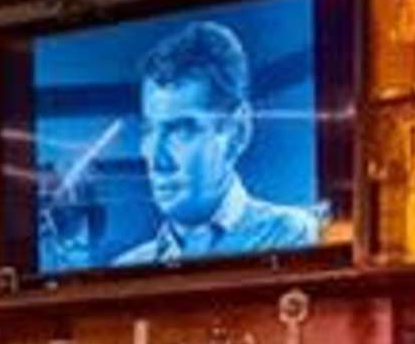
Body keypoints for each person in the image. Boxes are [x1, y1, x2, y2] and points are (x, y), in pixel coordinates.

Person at [112, 17, 326, 266]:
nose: (156, 159)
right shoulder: (127, 266)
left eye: (182, 130)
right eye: (149, 130)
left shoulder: (294, 236)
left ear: (237, 133)